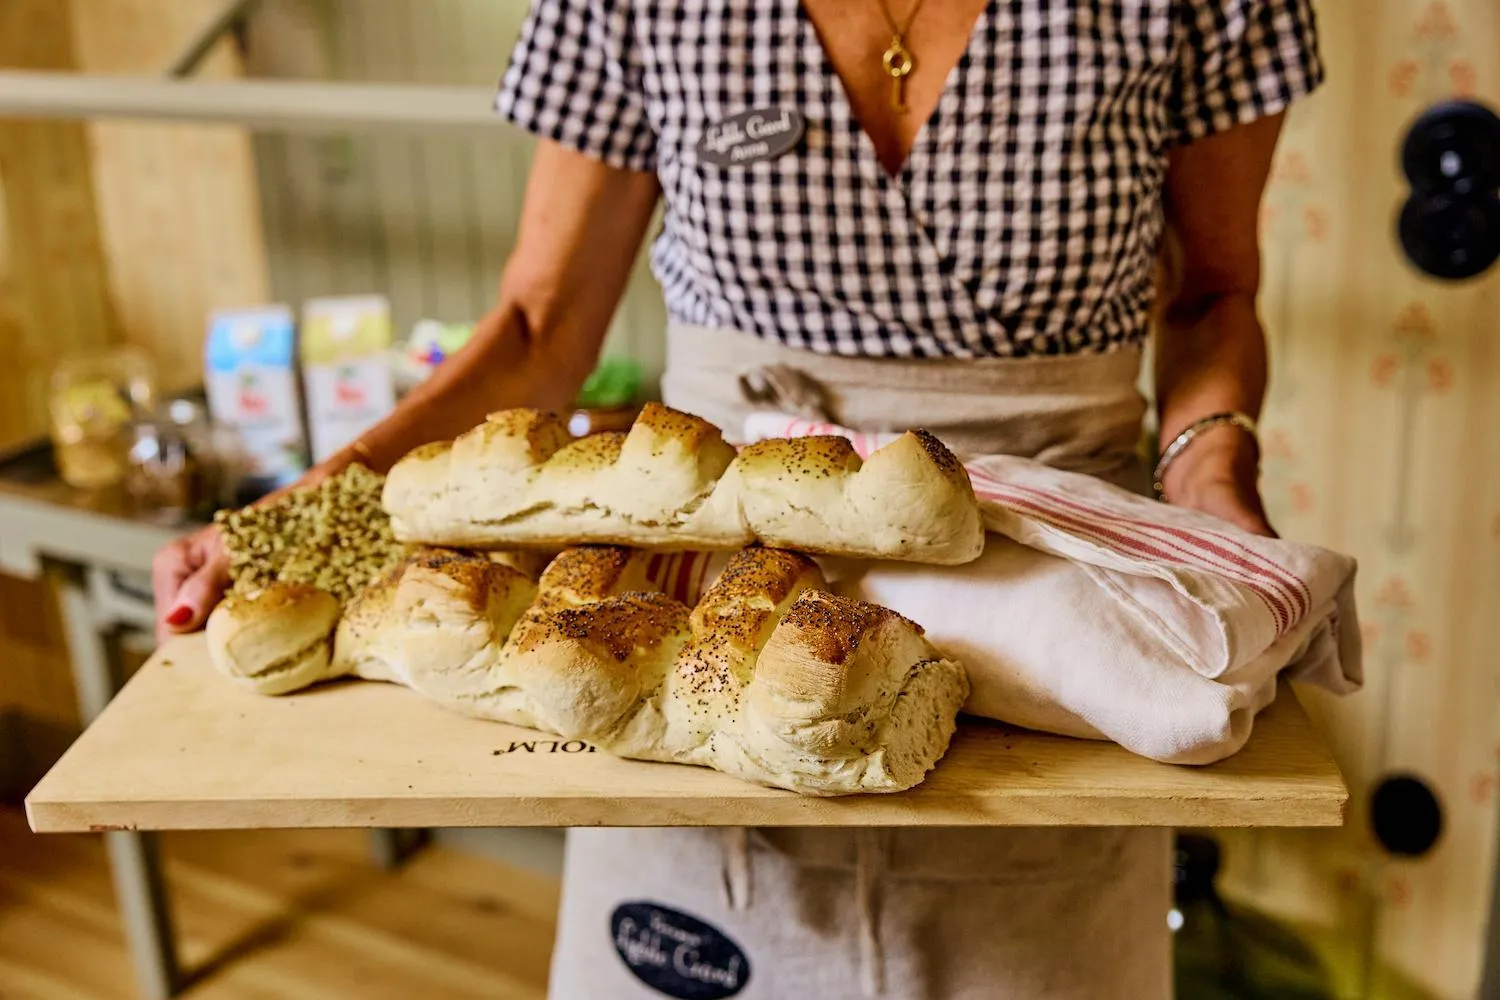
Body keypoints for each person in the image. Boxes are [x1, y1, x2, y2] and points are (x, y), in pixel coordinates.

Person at [154, 1, 1322, 995]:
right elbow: (536, 329)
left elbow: (1215, 293)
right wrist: (300, 521)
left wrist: (1210, 477)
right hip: (680, 604)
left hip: (1046, 607)